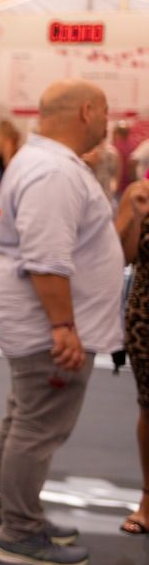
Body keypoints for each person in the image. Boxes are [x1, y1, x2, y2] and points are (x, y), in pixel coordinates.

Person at [0, 81, 124, 565]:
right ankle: (19, 532)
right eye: (106, 111)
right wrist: (63, 325)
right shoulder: (52, 171)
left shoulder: (46, 163)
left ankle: (12, 512)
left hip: (43, 321)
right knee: (37, 428)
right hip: (52, 327)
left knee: (25, 420)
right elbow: (46, 259)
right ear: (88, 110)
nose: (108, 122)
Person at [119, 172, 149, 536]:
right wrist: (137, 216)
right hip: (146, 315)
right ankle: (147, 497)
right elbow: (122, 255)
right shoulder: (140, 191)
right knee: (148, 407)